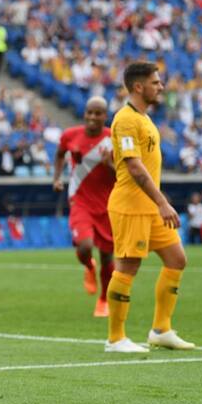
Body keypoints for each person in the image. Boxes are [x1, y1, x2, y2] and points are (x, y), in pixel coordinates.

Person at [105, 61, 194, 353]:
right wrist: (163, 202)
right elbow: (134, 167)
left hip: (150, 207)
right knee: (128, 266)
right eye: (156, 83)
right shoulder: (126, 119)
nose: (161, 87)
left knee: (176, 259)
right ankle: (115, 338)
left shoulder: (142, 118)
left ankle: (161, 330)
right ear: (138, 86)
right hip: (131, 206)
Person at [53, 97, 115, 317]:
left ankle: (104, 299)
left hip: (108, 204)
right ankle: (89, 266)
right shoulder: (70, 135)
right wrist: (57, 178)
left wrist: (110, 165)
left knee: (107, 256)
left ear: (105, 116)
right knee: (85, 245)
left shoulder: (113, 138)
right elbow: (60, 154)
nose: (92, 117)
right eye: (89, 112)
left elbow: (125, 173)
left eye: (98, 113)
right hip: (80, 201)